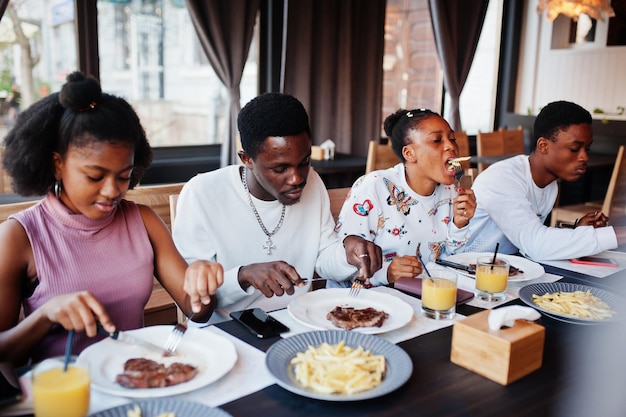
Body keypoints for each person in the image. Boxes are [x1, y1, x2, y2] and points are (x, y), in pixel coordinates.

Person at [0, 72, 224, 366]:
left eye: (124, 176)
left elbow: (196, 310)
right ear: (57, 164)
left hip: (137, 379)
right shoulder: (19, 237)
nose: (112, 191)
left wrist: (203, 287)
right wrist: (46, 315)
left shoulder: (142, 221)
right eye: (95, 176)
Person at [172, 92, 382, 323]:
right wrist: (243, 276)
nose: (297, 178)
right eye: (280, 169)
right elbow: (194, 299)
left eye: (304, 162)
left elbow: (323, 260)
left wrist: (346, 252)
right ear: (247, 159)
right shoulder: (202, 193)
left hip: (299, 321)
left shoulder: (313, 181)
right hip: (226, 331)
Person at [334, 109, 477, 286]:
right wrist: (386, 273)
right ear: (409, 154)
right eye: (437, 140)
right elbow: (340, 267)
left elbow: (446, 264)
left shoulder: (451, 190)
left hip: (422, 296)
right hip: (362, 302)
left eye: (452, 138)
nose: (451, 146)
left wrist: (459, 225)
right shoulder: (373, 188)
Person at [465, 100, 621, 260]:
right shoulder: (502, 179)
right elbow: (535, 244)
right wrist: (618, 234)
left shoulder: (550, 185)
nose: (584, 157)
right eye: (574, 149)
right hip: (465, 270)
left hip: (505, 267)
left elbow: (530, 240)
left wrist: (578, 232)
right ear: (543, 145)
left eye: (587, 149)